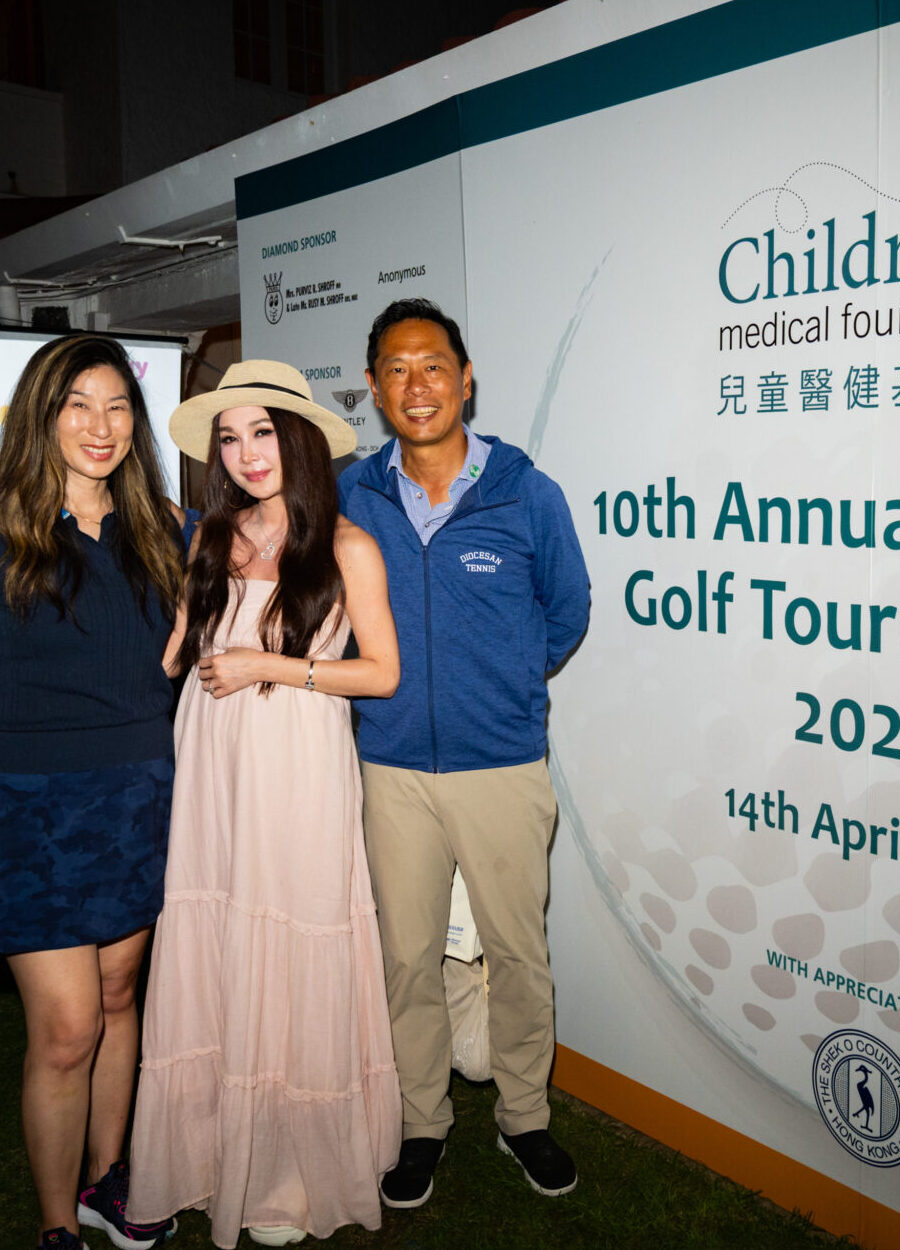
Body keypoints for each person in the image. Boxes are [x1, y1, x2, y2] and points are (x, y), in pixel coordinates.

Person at [126, 361, 402, 1248]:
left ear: (303, 441)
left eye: (265, 432)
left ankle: (287, 1173)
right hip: (214, 761)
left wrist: (265, 665)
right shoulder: (210, 538)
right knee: (218, 940)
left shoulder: (349, 547)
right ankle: (212, 1155)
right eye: (231, 437)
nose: (247, 453)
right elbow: (173, 653)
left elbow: (382, 674)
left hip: (299, 764)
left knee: (294, 931)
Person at [0, 334, 186, 1250]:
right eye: (78, 405)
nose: (100, 426)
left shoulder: (164, 529)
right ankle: (55, 1222)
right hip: (30, 808)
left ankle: (109, 1180)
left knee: (118, 995)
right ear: (42, 415)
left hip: (143, 795)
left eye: (117, 407)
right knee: (68, 1027)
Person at [336, 299, 591, 1207]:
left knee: (518, 955)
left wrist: (504, 684)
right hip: (392, 766)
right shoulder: (352, 495)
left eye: (434, 366)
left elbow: (567, 612)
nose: (418, 386)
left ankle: (525, 1117)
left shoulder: (527, 494)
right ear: (374, 389)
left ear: (466, 378)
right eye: (397, 370)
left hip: (502, 768)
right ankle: (422, 1123)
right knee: (407, 957)